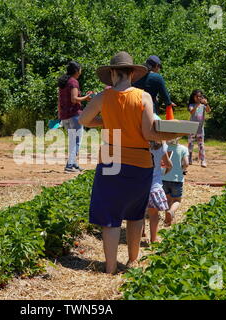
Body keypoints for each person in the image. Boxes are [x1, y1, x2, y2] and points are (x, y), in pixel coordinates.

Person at [79, 51, 185, 274]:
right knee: (135, 214)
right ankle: (132, 261)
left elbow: (84, 119)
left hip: (110, 158)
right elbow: (149, 133)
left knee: (110, 216)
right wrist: (171, 135)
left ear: (114, 73)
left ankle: (109, 267)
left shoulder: (102, 97)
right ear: (131, 73)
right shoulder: (143, 97)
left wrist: (106, 121)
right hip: (139, 160)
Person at [57, 61, 91, 173]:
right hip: (74, 115)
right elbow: (74, 99)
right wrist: (86, 97)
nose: (81, 71)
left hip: (65, 116)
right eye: (80, 69)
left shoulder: (64, 82)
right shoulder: (73, 82)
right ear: (76, 70)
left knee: (72, 141)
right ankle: (70, 165)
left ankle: (74, 164)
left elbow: (59, 100)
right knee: (77, 141)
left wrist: (59, 114)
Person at [146, 134, 173, 243]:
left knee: (139, 214)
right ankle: (153, 238)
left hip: (140, 184)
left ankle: (140, 233)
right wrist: (168, 168)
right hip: (154, 185)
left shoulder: (141, 144)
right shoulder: (161, 146)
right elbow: (168, 164)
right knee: (153, 214)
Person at [162, 137, 189, 226]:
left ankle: (167, 220)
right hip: (177, 180)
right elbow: (186, 163)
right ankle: (172, 211)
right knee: (177, 200)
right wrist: (183, 168)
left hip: (164, 178)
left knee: (168, 200)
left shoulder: (164, 147)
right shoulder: (183, 149)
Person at [188, 90, 211, 167]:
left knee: (201, 145)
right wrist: (197, 105)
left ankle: (203, 160)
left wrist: (206, 103)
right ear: (193, 97)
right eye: (196, 96)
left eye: (200, 96)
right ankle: (189, 158)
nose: (198, 98)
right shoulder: (191, 105)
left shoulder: (203, 106)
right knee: (190, 144)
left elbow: (208, 110)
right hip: (191, 128)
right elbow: (191, 112)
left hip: (200, 129)